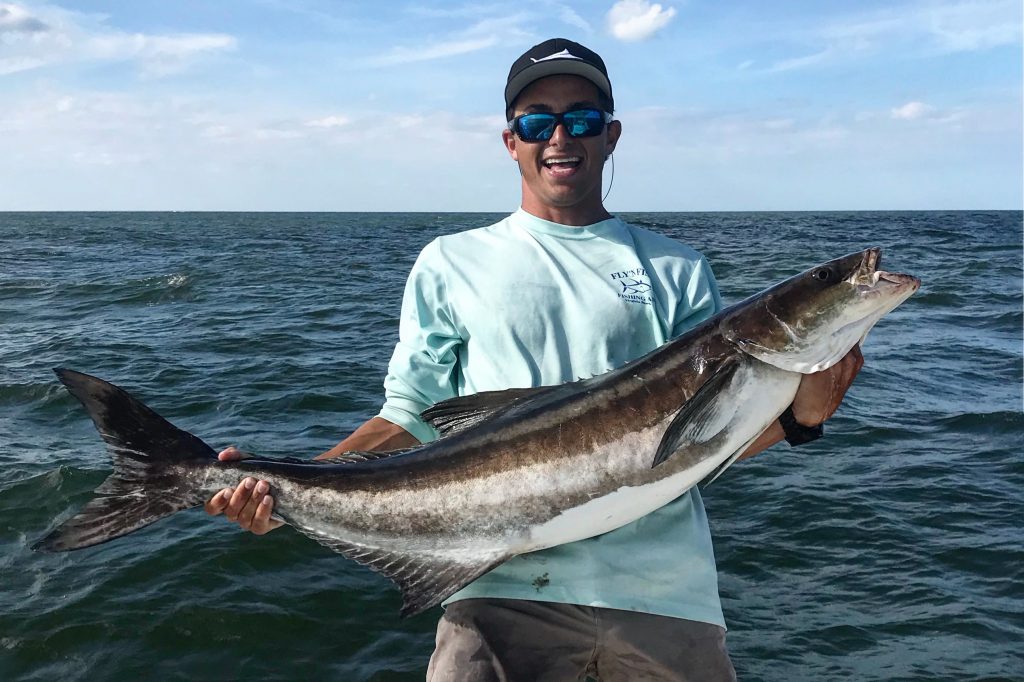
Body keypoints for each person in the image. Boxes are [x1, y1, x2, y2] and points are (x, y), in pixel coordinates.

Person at [205, 38, 863, 681]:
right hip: (495, 591)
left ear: (611, 135)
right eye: (537, 121)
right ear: (510, 139)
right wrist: (288, 486)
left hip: (665, 599)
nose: (560, 137)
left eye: (581, 119)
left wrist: (800, 421)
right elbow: (410, 414)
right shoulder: (449, 262)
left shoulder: (678, 268)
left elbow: (700, 442)